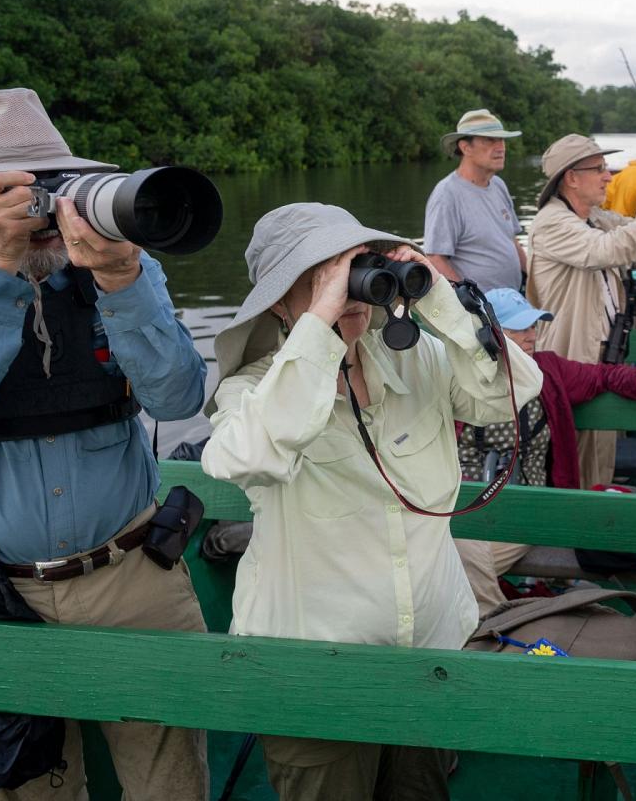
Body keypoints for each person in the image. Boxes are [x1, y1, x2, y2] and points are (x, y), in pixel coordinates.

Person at [201, 203, 543, 801]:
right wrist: (320, 324)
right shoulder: (253, 388)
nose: (349, 286)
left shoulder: (417, 359)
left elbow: (510, 390)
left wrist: (440, 300)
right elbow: (247, 456)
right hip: (314, 678)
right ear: (279, 301)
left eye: (358, 266)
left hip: (429, 658)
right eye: (320, 274)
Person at [0, 88, 209, 800]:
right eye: (16, 190)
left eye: (53, 188)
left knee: (171, 787)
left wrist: (121, 276)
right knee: (33, 789)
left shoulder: (121, 267)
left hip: (135, 576)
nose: (41, 210)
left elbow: (178, 398)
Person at [454, 287, 636, 614]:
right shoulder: (457, 376)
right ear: (488, 334)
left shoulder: (548, 369)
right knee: (455, 552)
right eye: (520, 328)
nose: (532, 335)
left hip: (530, 507)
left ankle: (492, 631)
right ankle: (499, 628)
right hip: (465, 509)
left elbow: (604, 377)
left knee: (458, 561)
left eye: (534, 326)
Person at [526, 133, 636, 488]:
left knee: (600, 458)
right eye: (599, 169)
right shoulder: (551, 223)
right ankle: (574, 536)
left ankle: (596, 532)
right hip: (570, 360)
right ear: (571, 178)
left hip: (605, 360)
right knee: (575, 462)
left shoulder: (596, 219)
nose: (609, 176)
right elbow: (608, 250)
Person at [423, 108, 527, 291]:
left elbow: (512, 240)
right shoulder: (447, 194)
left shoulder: (498, 185)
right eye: (489, 140)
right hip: (479, 313)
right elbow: (435, 259)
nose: (501, 147)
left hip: (515, 303)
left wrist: (533, 278)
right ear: (465, 147)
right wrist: (473, 302)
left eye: (501, 139)